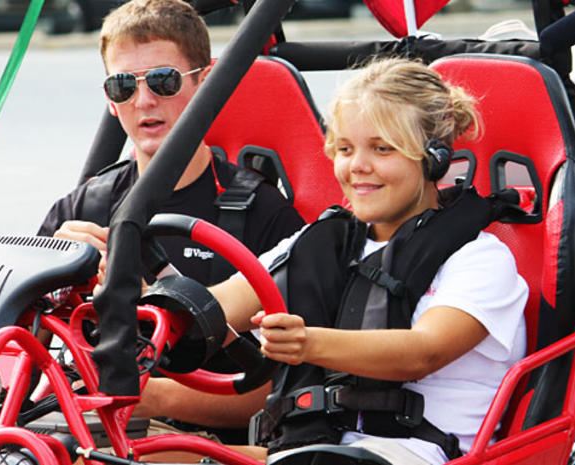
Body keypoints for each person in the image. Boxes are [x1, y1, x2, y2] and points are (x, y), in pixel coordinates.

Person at [181, 57, 526, 465]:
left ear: (433, 158)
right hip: (311, 451)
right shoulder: (320, 241)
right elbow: (213, 307)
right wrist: (142, 306)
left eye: (382, 149)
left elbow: (423, 351)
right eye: (345, 149)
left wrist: (308, 343)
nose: (357, 166)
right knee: (128, 453)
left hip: (414, 453)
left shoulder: (480, 259)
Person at [37, 0, 304, 446]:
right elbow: (14, 349)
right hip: (76, 430)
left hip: (204, 443)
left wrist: (153, 397)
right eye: (123, 85)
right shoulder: (81, 208)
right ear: (109, 98)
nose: (143, 100)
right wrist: (52, 283)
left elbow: (287, 390)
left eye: (162, 80)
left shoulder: (263, 216)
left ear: (205, 84)